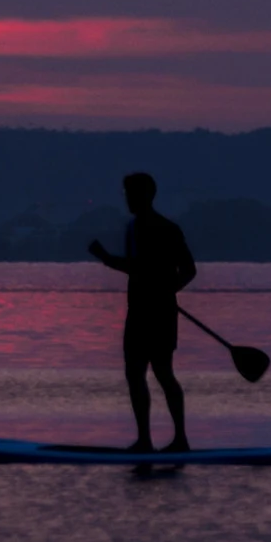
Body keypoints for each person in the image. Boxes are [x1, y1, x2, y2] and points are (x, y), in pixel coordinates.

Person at [89, 172, 197, 452]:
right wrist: (108, 259)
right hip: (138, 313)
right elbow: (136, 267)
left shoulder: (167, 229)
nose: (127, 200)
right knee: (135, 374)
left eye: (131, 194)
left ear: (145, 196)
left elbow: (188, 270)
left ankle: (180, 440)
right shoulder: (132, 229)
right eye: (126, 194)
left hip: (159, 315)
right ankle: (145, 441)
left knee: (162, 373)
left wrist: (168, 291)